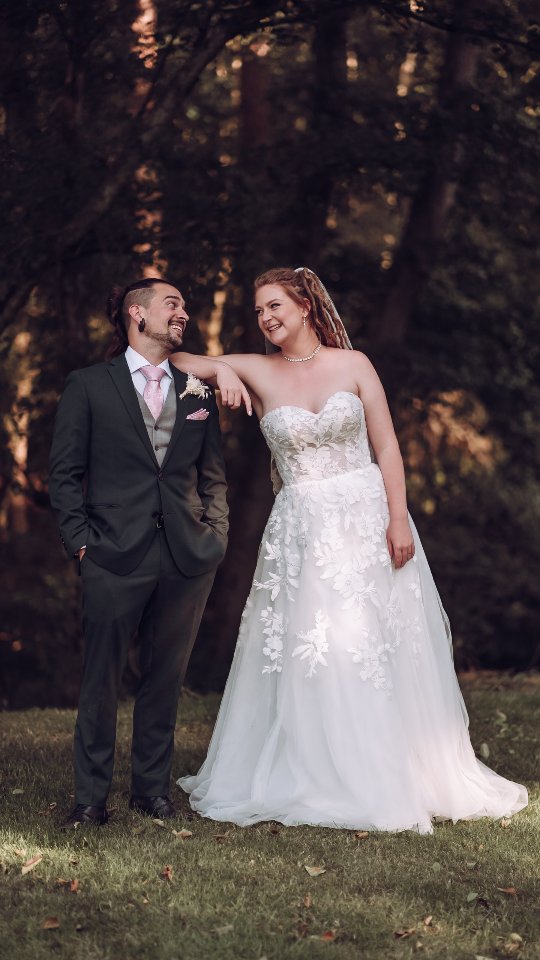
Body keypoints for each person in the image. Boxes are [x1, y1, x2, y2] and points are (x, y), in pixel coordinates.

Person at [170, 266, 528, 833]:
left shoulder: (354, 364)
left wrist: (397, 519)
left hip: (368, 518)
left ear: (306, 305)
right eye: (259, 310)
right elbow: (176, 361)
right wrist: (220, 369)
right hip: (303, 528)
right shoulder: (258, 370)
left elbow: (386, 448)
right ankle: (321, 770)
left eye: (275, 306)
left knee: (379, 643)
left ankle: (401, 766)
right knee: (315, 645)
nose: (266, 318)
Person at [49, 277, 250, 830]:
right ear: (137, 314)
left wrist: (216, 535)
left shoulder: (196, 389)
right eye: (173, 303)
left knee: (165, 677)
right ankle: (90, 800)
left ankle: (150, 791)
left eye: (184, 304)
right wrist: (82, 543)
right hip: (112, 554)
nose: (183, 312)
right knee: (101, 680)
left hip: (187, 556)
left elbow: (213, 475)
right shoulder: (89, 386)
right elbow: (64, 475)